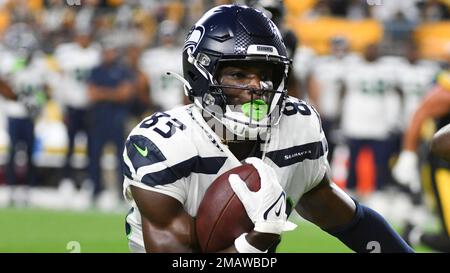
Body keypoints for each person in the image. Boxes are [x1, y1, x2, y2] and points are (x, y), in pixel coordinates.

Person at [122, 5, 412, 253]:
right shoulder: (164, 145)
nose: (256, 87)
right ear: (200, 75)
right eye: (239, 74)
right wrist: (254, 243)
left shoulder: (296, 130)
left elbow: (353, 223)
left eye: (265, 74)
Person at [394, 60, 450, 252]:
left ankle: (412, 233)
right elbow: (421, 114)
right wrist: (408, 153)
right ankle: (411, 235)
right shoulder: (446, 90)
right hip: (446, 168)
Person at [87, 41, 133, 202]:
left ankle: (122, 191)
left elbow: (124, 94)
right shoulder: (96, 70)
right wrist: (113, 93)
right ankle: (95, 189)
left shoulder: (121, 70)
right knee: (94, 155)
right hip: (99, 119)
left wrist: (103, 93)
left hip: (116, 119)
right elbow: (92, 94)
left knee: (121, 157)